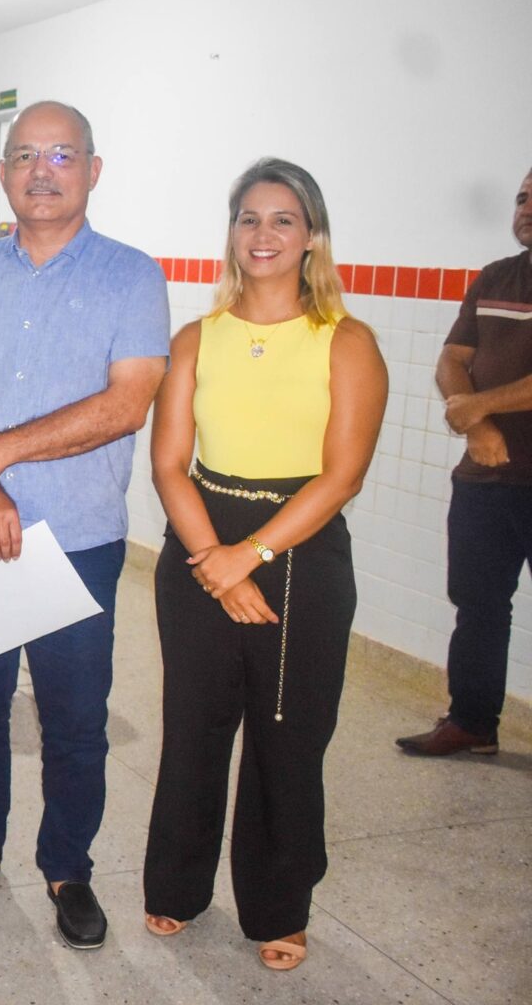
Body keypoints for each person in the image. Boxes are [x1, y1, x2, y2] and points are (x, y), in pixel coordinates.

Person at [0, 101, 168, 950]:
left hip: (79, 539)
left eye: (62, 154)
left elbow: (126, 406)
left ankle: (68, 867)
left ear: (94, 169)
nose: (42, 169)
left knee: (74, 720)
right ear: (3, 173)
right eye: (24, 155)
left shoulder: (132, 275)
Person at [142, 159, 387, 971]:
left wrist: (250, 555)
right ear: (232, 233)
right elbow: (171, 463)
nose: (263, 235)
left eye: (283, 220)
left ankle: (279, 906)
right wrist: (213, 557)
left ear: (311, 235)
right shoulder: (195, 338)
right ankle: (175, 887)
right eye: (249, 218)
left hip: (300, 554)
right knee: (194, 732)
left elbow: (341, 474)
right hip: (203, 537)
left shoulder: (346, 342)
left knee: (288, 740)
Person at [397, 168, 532, 757]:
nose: (526, 207)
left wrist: (478, 406)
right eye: (523, 197)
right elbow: (453, 357)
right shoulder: (495, 277)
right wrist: (476, 423)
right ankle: (472, 722)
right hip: (486, 477)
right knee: (477, 604)